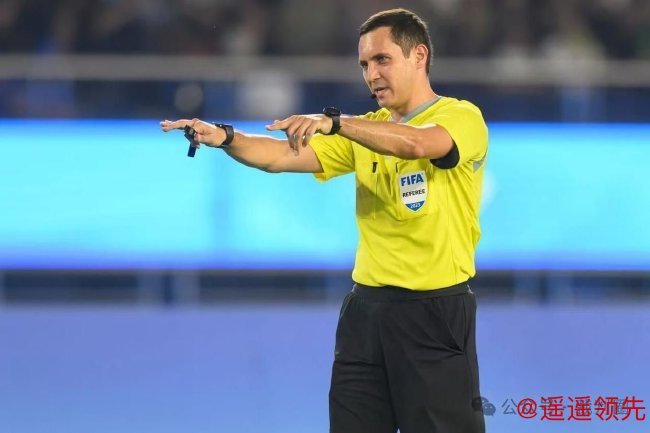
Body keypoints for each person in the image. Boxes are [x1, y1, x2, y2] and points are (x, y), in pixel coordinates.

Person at [161, 8, 487, 433]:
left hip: (435, 314)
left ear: (419, 56)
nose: (371, 75)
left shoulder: (462, 117)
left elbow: (417, 144)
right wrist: (226, 137)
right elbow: (280, 155)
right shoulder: (363, 129)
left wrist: (335, 123)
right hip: (365, 315)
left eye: (382, 60)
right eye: (364, 64)